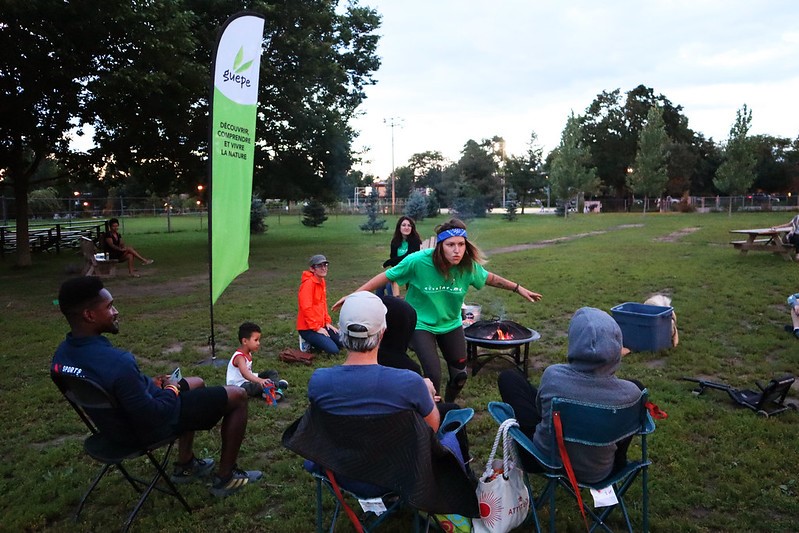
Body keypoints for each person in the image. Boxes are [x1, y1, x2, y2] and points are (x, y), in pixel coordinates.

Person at [52, 276, 261, 498]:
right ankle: (226, 478)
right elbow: (155, 414)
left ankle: (186, 464)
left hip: (113, 427)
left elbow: (111, 386)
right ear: (89, 315)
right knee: (237, 395)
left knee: (197, 382)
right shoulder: (119, 362)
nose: (116, 312)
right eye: (110, 307)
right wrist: (172, 389)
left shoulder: (61, 356)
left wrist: (146, 383)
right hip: (145, 428)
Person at [333, 218, 542, 402]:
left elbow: (491, 279)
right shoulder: (418, 261)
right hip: (420, 324)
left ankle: (447, 404)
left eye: (461, 244)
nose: (457, 250)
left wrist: (518, 288)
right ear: (441, 245)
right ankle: (431, 412)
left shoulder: (467, 266)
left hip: (450, 324)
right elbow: (387, 276)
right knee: (433, 376)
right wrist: (354, 295)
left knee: (460, 376)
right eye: (451, 245)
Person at [309, 291, 471, 462]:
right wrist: (427, 394)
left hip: (343, 470)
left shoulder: (319, 381)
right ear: (382, 333)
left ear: (341, 332)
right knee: (450, 412)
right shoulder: (410, 383)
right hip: (394, 470)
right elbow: (431, 428)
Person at [497, 307, 644, 484]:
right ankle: (619, 459)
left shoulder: (554, 377)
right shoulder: (631, 393)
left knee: (509, 378)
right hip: (601, 472)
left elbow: (539, 410)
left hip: (545, 461)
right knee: (633, 400)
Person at [226, 322, 287, 399]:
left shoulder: (248, 353)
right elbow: (245, 374)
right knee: (257, 386)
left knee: (272, 372)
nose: (258, 343)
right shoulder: (239, 357)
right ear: (245, 341)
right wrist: (260, 380)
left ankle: (272, 386)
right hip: (238, 386)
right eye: (256, 340)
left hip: (248, 380)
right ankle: (272, 388)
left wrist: (260, 379)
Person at [297, 254, 344, 354]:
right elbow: (306, 308)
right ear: (312, 269)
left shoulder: (321, 281)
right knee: (334, 350)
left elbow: (323, 303)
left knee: (343, 343)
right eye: (320, 266)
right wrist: (317, 328)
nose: (324, 268)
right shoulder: (308, 284)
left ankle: (320, 340)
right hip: (308, 328)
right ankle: (307, 341)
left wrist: (327, 322)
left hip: (321, 324)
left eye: (325, 265)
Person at [379, 216, 423, 297]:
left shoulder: (415, 241)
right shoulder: (395, 241)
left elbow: (408, 258)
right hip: (400, 270)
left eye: (409, 225)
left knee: (390, 286)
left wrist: (388, 262)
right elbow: (394, 260)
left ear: (412, 228)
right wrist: (392, 262)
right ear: (399, 227)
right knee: (380, 285)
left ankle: (395, 306)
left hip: (411, 271)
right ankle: (381, 307)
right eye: (403, 225)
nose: (406, 227)